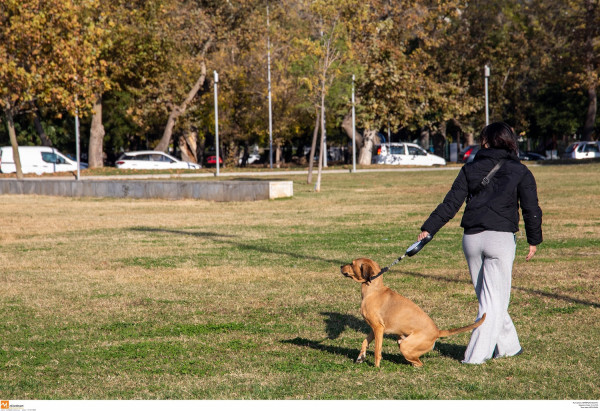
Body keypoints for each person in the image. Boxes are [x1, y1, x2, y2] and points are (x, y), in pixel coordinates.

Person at [418, 121, 542, 364]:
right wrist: (534, 239)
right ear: (509, 141)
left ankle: (509, 346)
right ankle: (475, 356)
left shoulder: (469, 169)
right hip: (500, 239)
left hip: (472, 240)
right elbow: (531, 209)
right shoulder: (521, 171)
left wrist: (428, 228)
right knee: (494, 300)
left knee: (489, 299)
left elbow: (450, 204)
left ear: (486, 142)